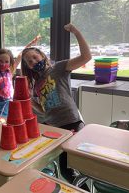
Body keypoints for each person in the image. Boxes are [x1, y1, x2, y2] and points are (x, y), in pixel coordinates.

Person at [21, 23, 91, 189]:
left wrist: (76, 32)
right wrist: (31, 102)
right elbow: (44, 108)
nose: (33, 61)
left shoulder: (59, 67)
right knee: (65, 168)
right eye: (29, 61)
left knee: (78, 166)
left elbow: (86, 56)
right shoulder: (37, 83)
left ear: (42, 56)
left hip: (72, 122)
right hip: (55, 127)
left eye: (34, 57)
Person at [0, 26, 41, 124]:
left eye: (6, 61)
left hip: (13, 103)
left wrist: (31, 44)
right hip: (0, 107)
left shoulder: (10, 71)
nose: (3, 64)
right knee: (2, 126)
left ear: (10, 63)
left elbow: (21, 55)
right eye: (0, 61)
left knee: (16, 125)